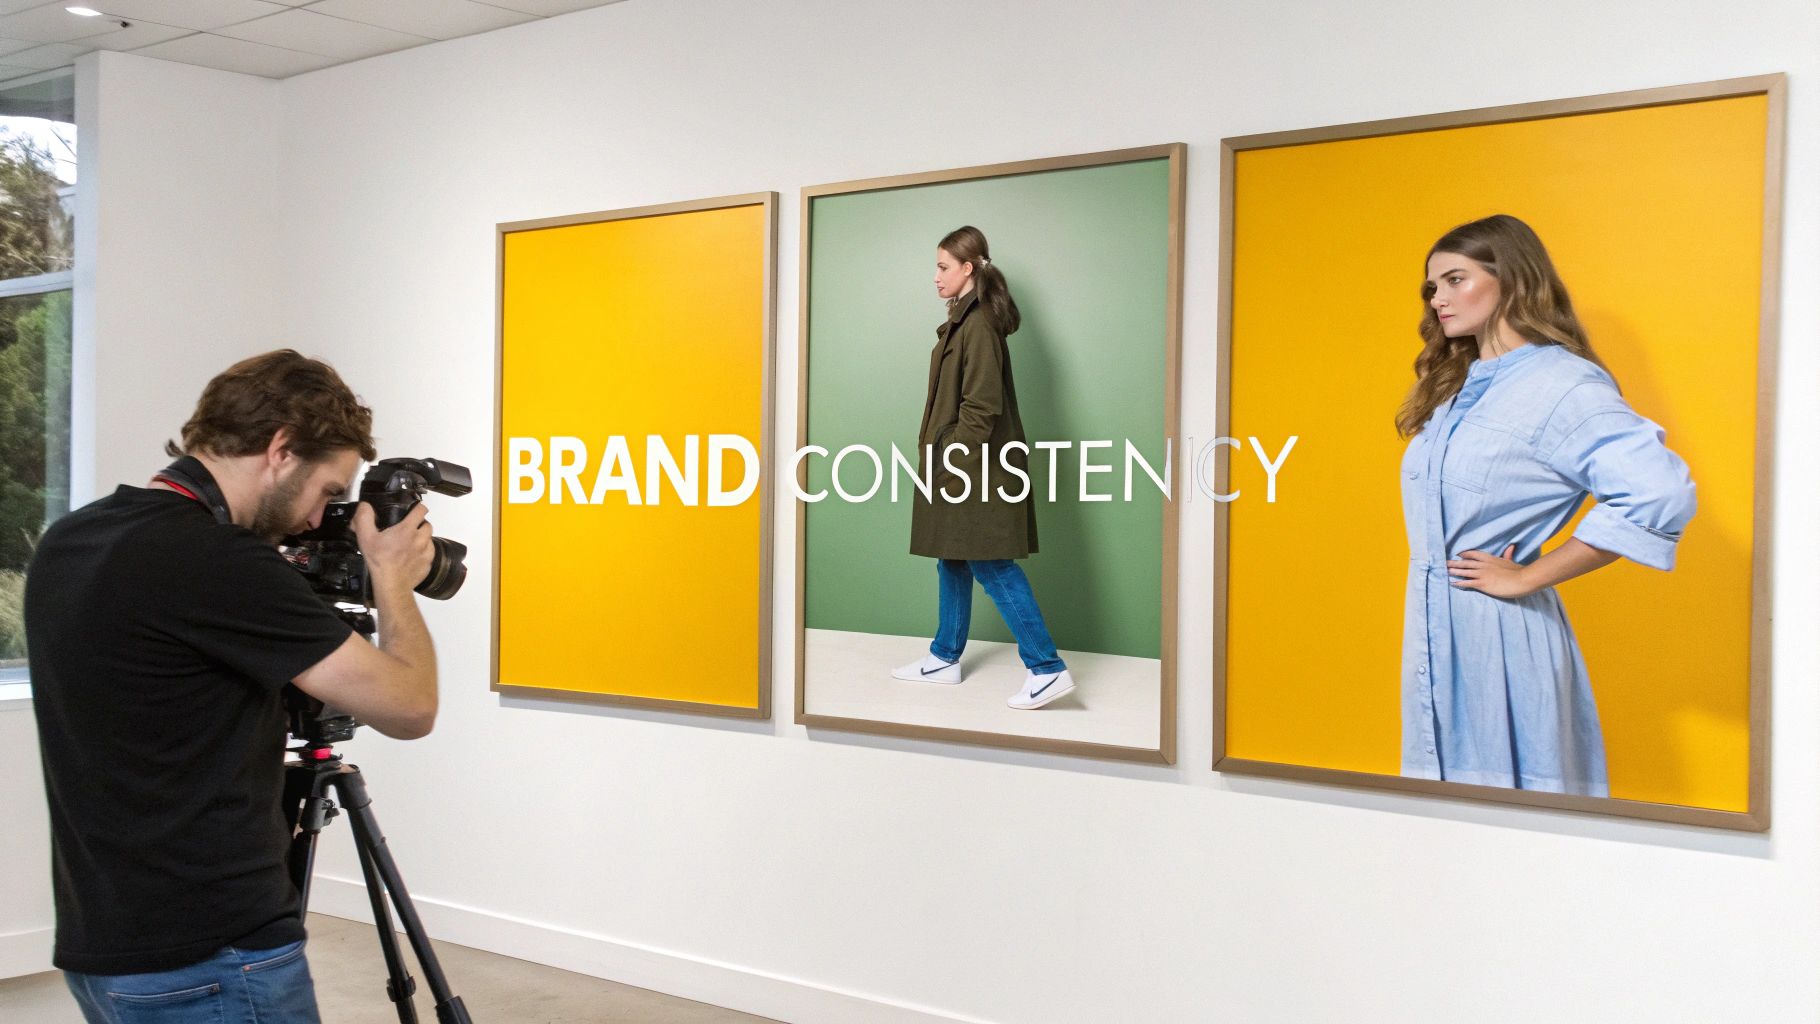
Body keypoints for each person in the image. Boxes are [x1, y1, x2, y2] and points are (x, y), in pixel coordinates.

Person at [26, 349, 441, 1023]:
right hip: (212, 958)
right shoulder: (218, 562)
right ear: (282, 449)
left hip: (102, 951)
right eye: (329, 490)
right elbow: (411, 705)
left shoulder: (72, 540)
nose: (317, 518)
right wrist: (393, 578)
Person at [1397, 214, 1696, 795]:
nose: (1439, 299)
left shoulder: (1564, 384)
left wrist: (1530, 574)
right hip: (1432, 630)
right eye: (1432, 287)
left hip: (1500, 637)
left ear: (1510, 277)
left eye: (1456, 279)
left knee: (1516, 820)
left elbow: (1658, 493)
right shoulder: (1458, 386)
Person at [890, 225, 1075, 710]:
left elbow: (981, 407)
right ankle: (944, 658)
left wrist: (951, 456)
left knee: (991, 562)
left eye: (943, 267)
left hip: (978, 468)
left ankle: (1047, 668)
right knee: (952, 555)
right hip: (963, 466)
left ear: (968, 269)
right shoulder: (963, 321)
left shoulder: (978, 326)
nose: (935, 277)